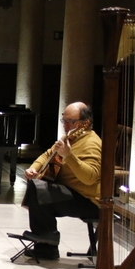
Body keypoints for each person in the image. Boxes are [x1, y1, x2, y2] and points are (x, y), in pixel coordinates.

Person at [21, 102, 101, 260]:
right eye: (64, 120)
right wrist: (33, 168)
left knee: (39, 190)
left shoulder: (91, 143)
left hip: (89, 202)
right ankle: (45, 244)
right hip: (72, 193)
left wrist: (68, 156)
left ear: (85, 123)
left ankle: (47, 243)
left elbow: (90, 178)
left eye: (71, 121)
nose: (65, 125)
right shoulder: (71, 137)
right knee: (36, 186)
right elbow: (48, 154)